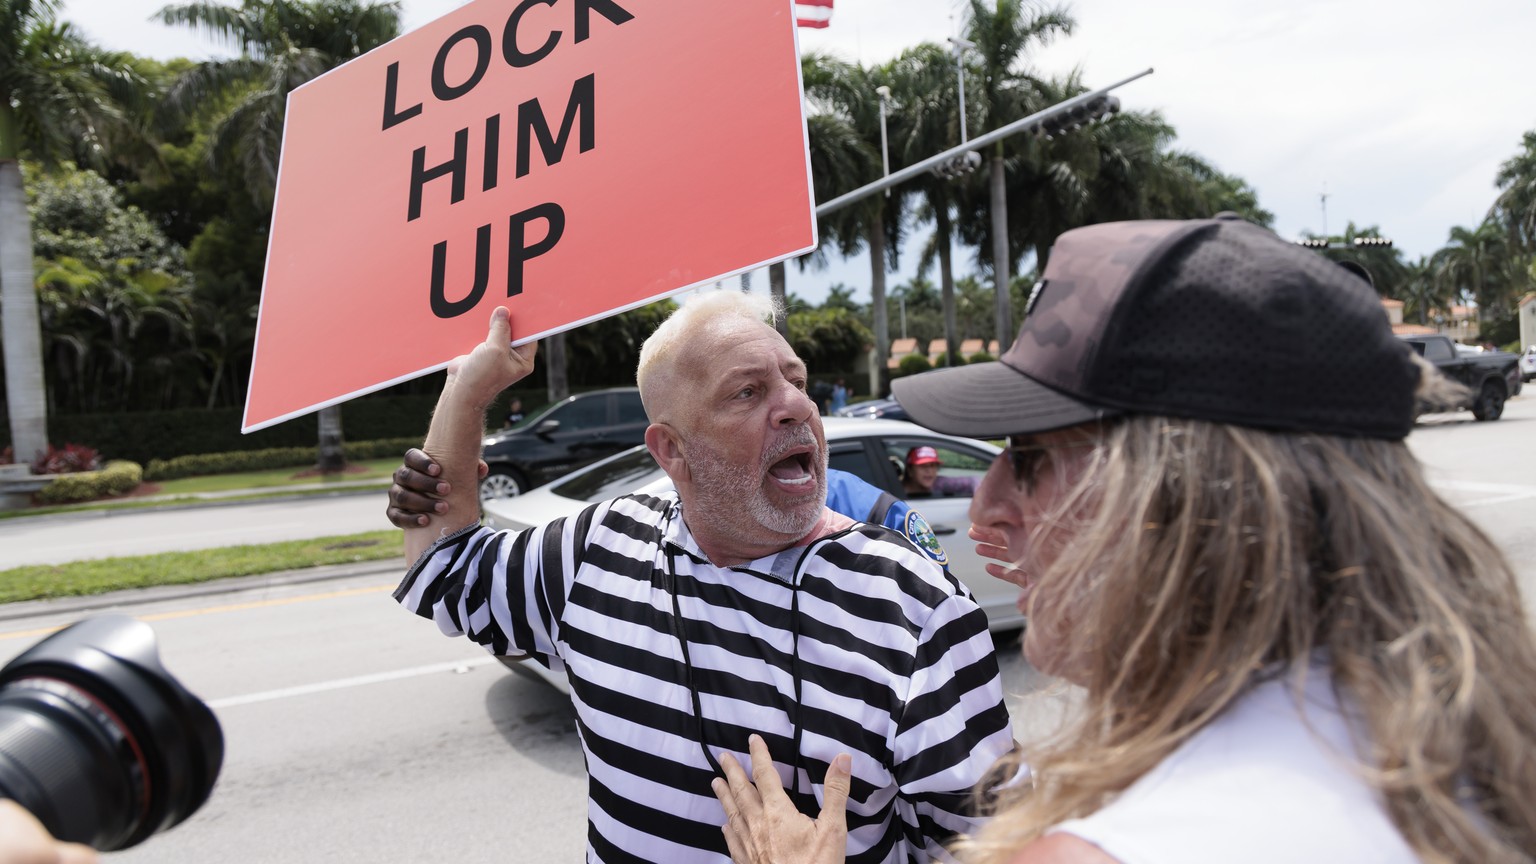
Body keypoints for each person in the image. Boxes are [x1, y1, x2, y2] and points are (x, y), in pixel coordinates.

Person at [710, 214, 1536, 863]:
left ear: (1186, 497)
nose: (989, 502)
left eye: (1029, 458)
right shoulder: (1462, 736)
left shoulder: (1111, 848)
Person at [390, 290, 1014, 863]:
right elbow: (447, 572)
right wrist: (466, 394)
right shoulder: (597, 548)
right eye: (748, 392)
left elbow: (1003, 846)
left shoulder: (913, 605)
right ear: (671, 451)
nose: (795, 406)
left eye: (797, 382)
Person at [900, 446, 980, 499]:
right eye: (923, 466)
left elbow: (973, 480)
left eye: (933, 465)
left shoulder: (939, 483)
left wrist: (980, 498)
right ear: (910, 470)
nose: (929, 470)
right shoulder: (896, 490)